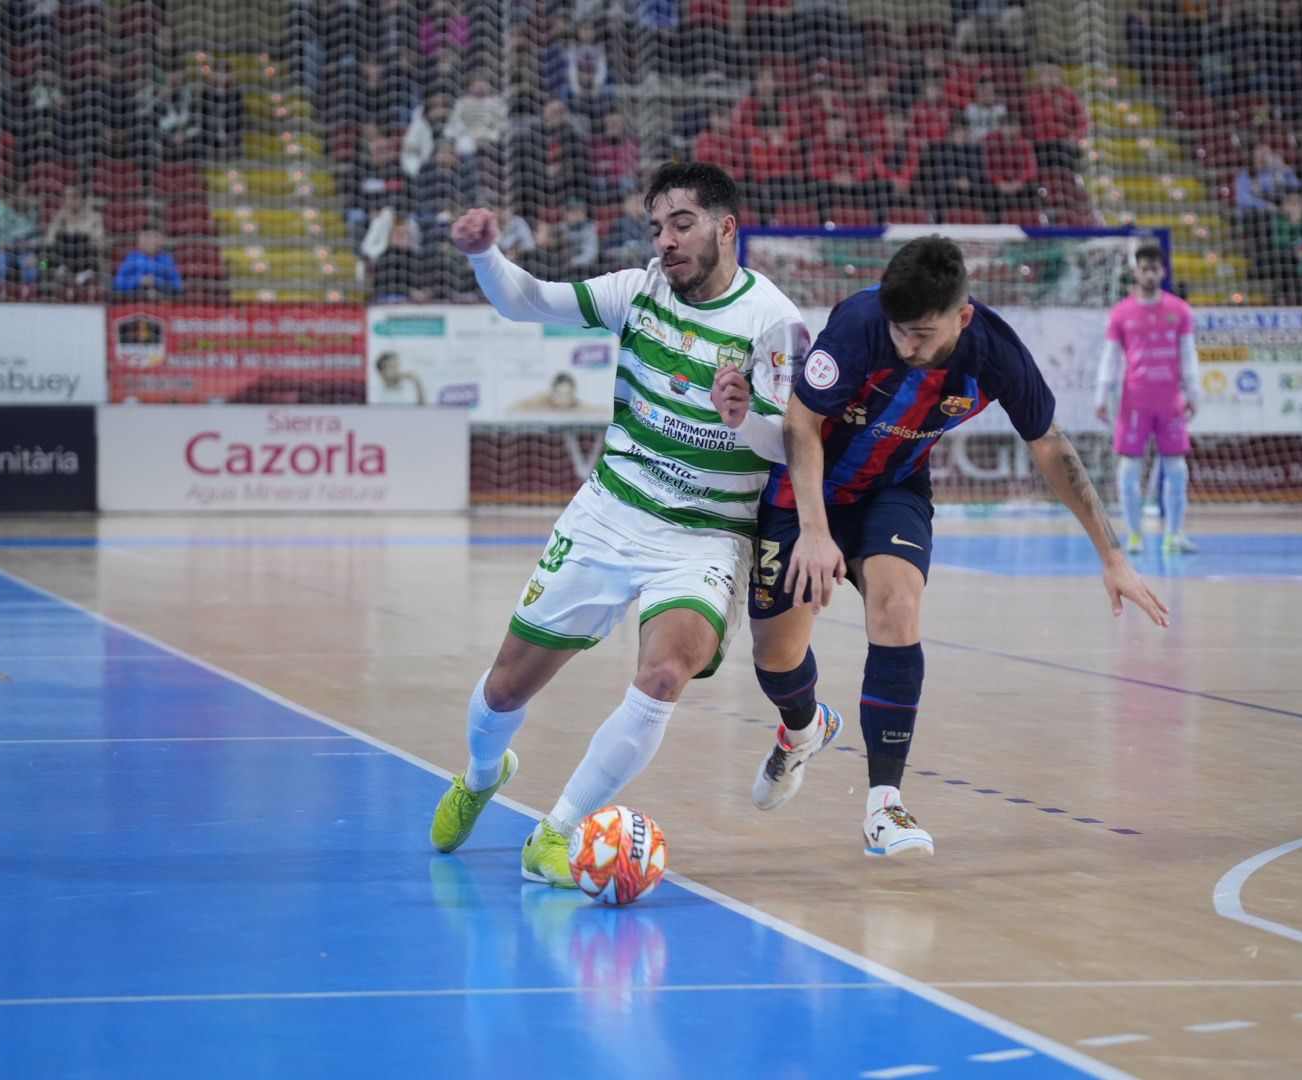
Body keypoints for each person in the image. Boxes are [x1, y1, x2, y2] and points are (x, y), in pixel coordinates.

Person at [720, 235, 1169, 858]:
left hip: (893, 490)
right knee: (774, 654)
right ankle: (803, 729)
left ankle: (884, 806)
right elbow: (801, 423)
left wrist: (1112, 555)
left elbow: (1050, 446)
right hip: (807, 492)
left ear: (962, 316)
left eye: (922, 335)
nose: (907, 346)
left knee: (899, 608)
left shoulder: (996, 351)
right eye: (899, 331)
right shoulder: (858, 324)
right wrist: (817, 534)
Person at [429, 162, 808, 887]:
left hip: (708, 533)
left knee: (665, 673)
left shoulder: (773, 323)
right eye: (658, 226)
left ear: (728, 228)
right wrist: (484, 254)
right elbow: (527, 302)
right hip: (611, 512)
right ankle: (482, 773)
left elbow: (793, 445)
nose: (665, 241)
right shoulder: (639, 290)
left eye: (682, 224)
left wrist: (747, 416)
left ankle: (556, 834)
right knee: (506, 690)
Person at [1096, 241, 1201, 554]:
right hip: (1135, 402)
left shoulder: (1179, 310)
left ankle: (1174, 535)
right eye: (1145, 269)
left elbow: (1188, 353)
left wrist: (1193, 393)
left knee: (1178, 470)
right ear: (1135, 272)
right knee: (1128, 471)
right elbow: (1110, 358)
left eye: (1155, 269)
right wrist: (1102, 395)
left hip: (1170, 401)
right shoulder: (1121, 313)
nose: (1150, 274)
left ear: (1162, 271)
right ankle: (1135, 536)